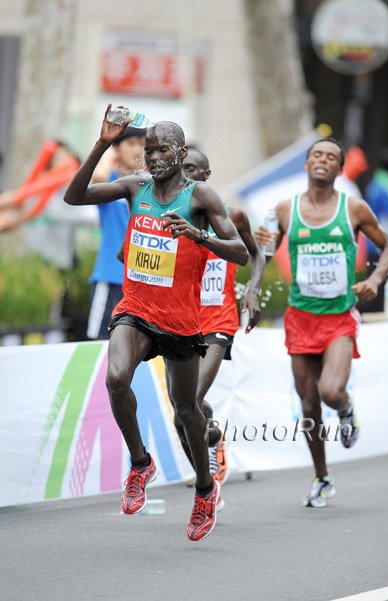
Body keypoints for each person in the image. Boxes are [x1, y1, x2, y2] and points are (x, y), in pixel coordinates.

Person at [64, 105, 249, 541]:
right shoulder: (134, 188)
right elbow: (74, 196)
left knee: (186, 411)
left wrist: (198, 235)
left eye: (162, 148)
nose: (153, 156)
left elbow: (240, 251)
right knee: (115, 378)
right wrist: (104, 142)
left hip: (182, 322)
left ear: (181, 153)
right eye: (149, 149)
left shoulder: (202, 198)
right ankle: (140, 463)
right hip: (136, 311)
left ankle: (205, 491)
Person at [254, 137, 388, 508]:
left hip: (338, 319)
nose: (323, 160)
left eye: (331, 157)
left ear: (338, 169)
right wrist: (252, 290)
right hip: (300, 318)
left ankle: (347, 409)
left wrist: (375, 280)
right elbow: (263, 254)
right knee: (308, 406)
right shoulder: (285, 210)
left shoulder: (354, 209)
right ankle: (322, 477)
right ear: (306, 164)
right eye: (317, 154)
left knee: (331, 393)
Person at [173, 148, 264, 507]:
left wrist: (252, 292)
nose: (189, 176)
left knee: (191, 399)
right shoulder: (169, 214)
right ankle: (211, 435)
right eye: (184, 170)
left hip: (219, 321)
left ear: (208, 175)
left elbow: (254, 254)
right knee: (184, 410)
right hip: (181, 322)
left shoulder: (232, 214)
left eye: (195, 170)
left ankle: (207, 488)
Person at [87, 126, 146, 339]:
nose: (138, 151)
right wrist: (110, 147)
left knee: (134, 345)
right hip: (110, 277)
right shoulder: (111, 180)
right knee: (99, 342)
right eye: (131, 144)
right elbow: (97, 178)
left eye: (142, 145)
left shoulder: (146, 186)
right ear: (117, 149)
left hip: (140, 280)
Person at [362, 146, 388, 312]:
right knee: (380, 286)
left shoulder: (377, 182)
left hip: (373, 243)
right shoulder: (386, 188)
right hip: (382, 245)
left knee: (378, 281)